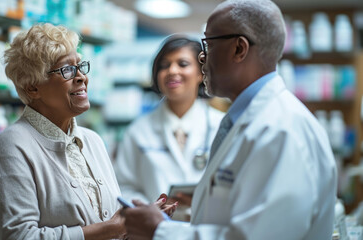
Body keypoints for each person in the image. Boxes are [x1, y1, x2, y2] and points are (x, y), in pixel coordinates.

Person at [121, 0, 338, 239]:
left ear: (239, 49)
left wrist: (160, 230)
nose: (202, 57)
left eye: (209, 44)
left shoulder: (282, 130)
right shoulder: (245, 121)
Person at [0, 23, 126, 240]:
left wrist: (135, 225)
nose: (81, 77)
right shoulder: (12, 146)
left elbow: (111, 222)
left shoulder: (92, 141)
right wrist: (110, 229)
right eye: (67, 69)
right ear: (33, 87)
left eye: (81, 66)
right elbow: (19, 236)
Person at [113, 35, 225, 220]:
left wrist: (206, 201)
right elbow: (124, 186)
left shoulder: (221, 125)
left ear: (201, 73)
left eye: (182, 64)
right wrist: (150, 209)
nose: (172, 70)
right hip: (155, 230)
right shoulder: (138, 131)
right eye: (164, 66)